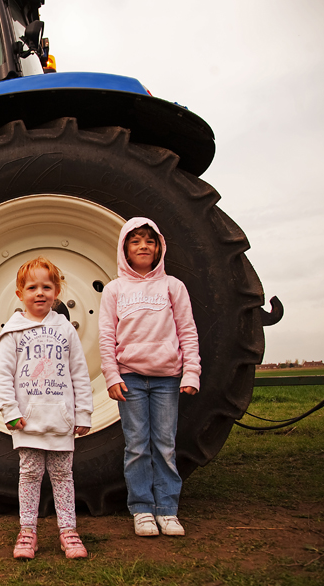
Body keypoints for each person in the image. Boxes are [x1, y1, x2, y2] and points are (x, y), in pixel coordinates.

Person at [98, 217, 201, 538]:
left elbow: (187, 331)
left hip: (167, 378)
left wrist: (192, 371)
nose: (144, 246)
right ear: (124, 249)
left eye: (150, 241)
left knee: (166, 445)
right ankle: (142, 508)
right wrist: (111, 375)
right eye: (136, 241)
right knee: (138, 446)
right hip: (130, 379)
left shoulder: (173, 286)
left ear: (159, 248)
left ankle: (167, 509)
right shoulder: (115, 289)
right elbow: (105, 335)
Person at [0, 256, 94, 560]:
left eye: (46, 287)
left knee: (63, 477)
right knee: (30, 475)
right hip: (28, 421)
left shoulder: (65, 330)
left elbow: (79, 373)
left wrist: (83, 413)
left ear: (57, 292)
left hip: (60, 420)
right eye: (32, 287)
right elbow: (4, 375)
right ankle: (27, 531)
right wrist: (10, 411)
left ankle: (68, 531)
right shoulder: (14, 332)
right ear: (19, 294)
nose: (39, 293)